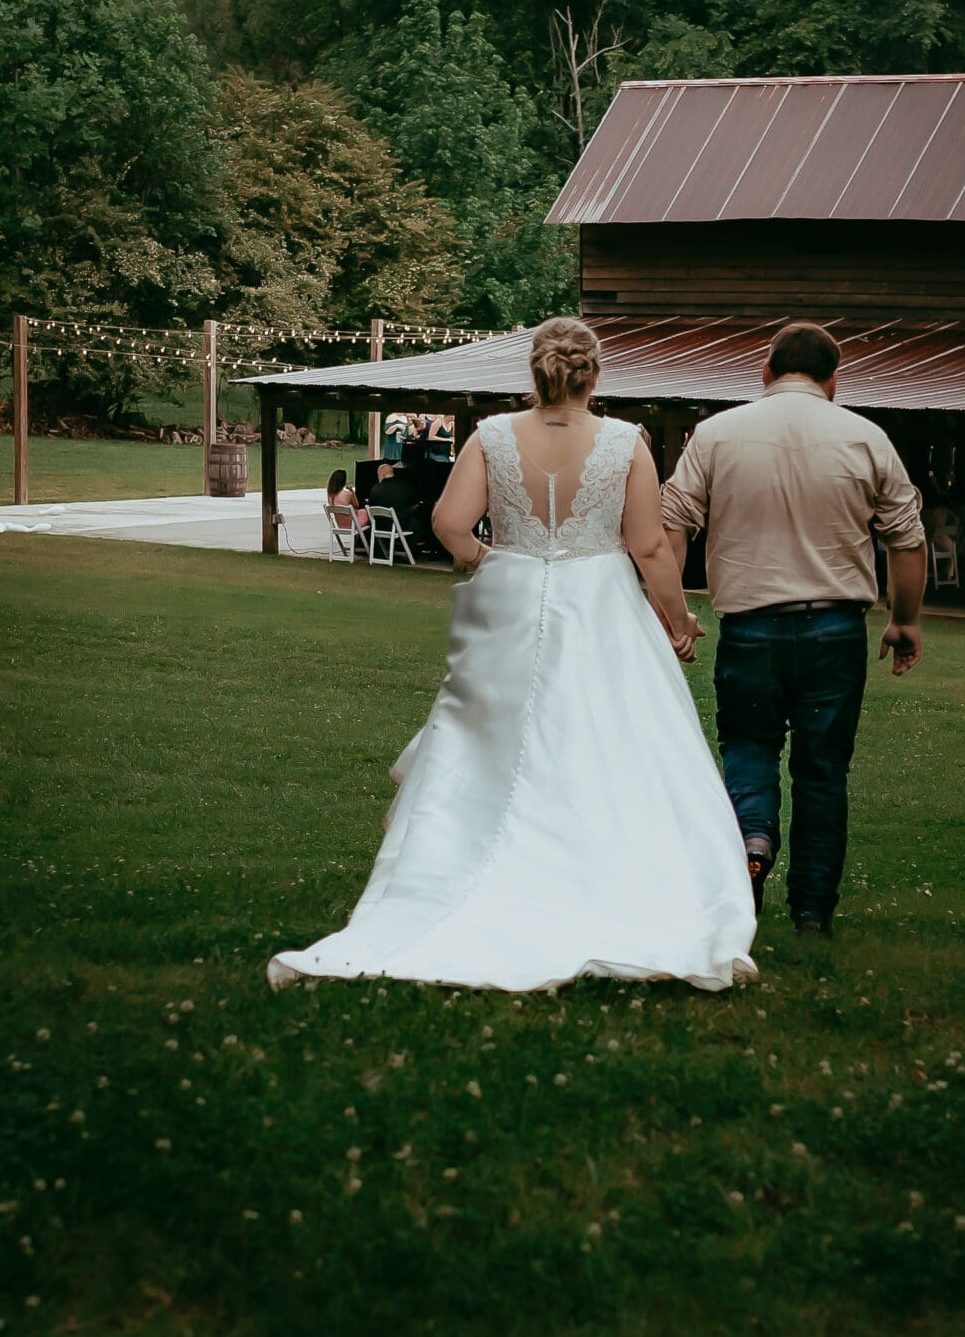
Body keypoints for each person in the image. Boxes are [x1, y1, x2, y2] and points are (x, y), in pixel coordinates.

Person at [270, 318, 755, 993]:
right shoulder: (625, 443)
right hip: (602, 607)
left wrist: (492, 561)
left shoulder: (492, 436)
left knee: (491, 743)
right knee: (611, 742)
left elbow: (448, 523)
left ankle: (463, 876)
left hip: (513, 600)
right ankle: (604, 882)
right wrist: (679, 621)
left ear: (535, 372)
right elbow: (648, 547)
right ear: (595, 375)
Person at [660, 321, 927, 936]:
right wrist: (905, 621)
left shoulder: (716, 435)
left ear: (765, 371)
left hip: (750, 626)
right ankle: (812, 911)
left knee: (748, 747)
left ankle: (753, 841)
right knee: (823, 769)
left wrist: (672, 612)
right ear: (835, 381)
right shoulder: (867, 437)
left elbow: (672, 524)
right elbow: (906, 540)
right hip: (834, 629)